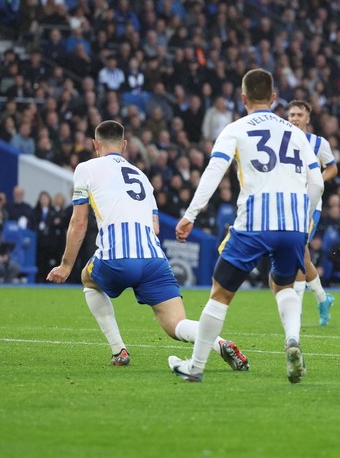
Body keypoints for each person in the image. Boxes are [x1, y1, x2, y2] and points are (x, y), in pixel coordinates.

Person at [46, 120, 249, 372]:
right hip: (154, 261)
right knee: (176, 324)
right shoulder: (141, 176)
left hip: (116, 259)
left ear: (95, 144)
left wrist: (66, 265)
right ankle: (219, 343)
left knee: (87, 279)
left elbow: (78, 224)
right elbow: (154, 227)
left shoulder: (86, 168)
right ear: (124, 145)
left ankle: (118, 349)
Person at [169, 69, 324, 383]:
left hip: (255, 222)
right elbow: (317, 182)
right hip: (293, 224)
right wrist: (303, 219)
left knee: (221, 293)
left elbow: (215, 171)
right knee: (283, 284)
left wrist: (191, 214)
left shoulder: (235, 129)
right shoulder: (296, 133)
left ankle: (196, 367)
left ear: (242, 98)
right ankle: (292, 340)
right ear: (274, 98)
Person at [287, 99, 336, 325]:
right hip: (288, 203)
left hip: (310, 205)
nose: (295, 118)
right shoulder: (283, 141)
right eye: (291, 115)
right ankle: (323, 298)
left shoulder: (318, 143)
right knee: (303, 254)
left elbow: (332, 168)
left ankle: (296, 309)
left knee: (298, 249)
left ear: (308, 118)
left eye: (299, 114)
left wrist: (315, 180)